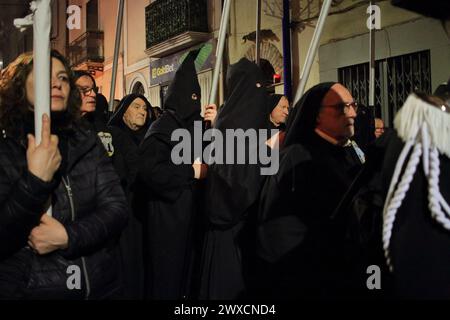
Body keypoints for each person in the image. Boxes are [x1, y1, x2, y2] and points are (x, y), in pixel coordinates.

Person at [0, 51, 128, 299]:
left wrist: (68, 236)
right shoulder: (6, 147)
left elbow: (117, 208)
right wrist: (34, 182)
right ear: (19, 86)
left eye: (63, 77)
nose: (57, 83)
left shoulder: (84, 139)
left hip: (100, 285)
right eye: (45, 76)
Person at [257, 82, 365, 299]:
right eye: (342, 107)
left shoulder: (348, 153)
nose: (352, 112)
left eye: (353, 105)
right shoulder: (296, 159)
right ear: (317, 115)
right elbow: (278, 233)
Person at [135, 51, 216, 300]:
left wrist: (213, 127)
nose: (194, 105)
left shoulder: (191, 126)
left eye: (197, 99)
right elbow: (152, 172)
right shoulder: (161, 129)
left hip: (191, 218)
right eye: (190, 99)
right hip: (168, 221)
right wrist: (190, 171)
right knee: (167, 282)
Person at [199, 58, 273, 300]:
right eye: (257, 88)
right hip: (231, 234)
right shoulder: (231, 125)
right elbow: (233, 185)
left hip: (245, 232)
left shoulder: (241, 122)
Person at [107, 94, 155, 299]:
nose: (142, 111)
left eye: (145, 108)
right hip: (126, 210)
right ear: (124, 111)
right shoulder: (113, 136)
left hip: (148, 209)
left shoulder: (151, 137)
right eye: (136, 107)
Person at [73, 71, 113, 154]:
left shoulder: (102, 127)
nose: (94, 94)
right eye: (85, 90)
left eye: (95, 89)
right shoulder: (60, 127)